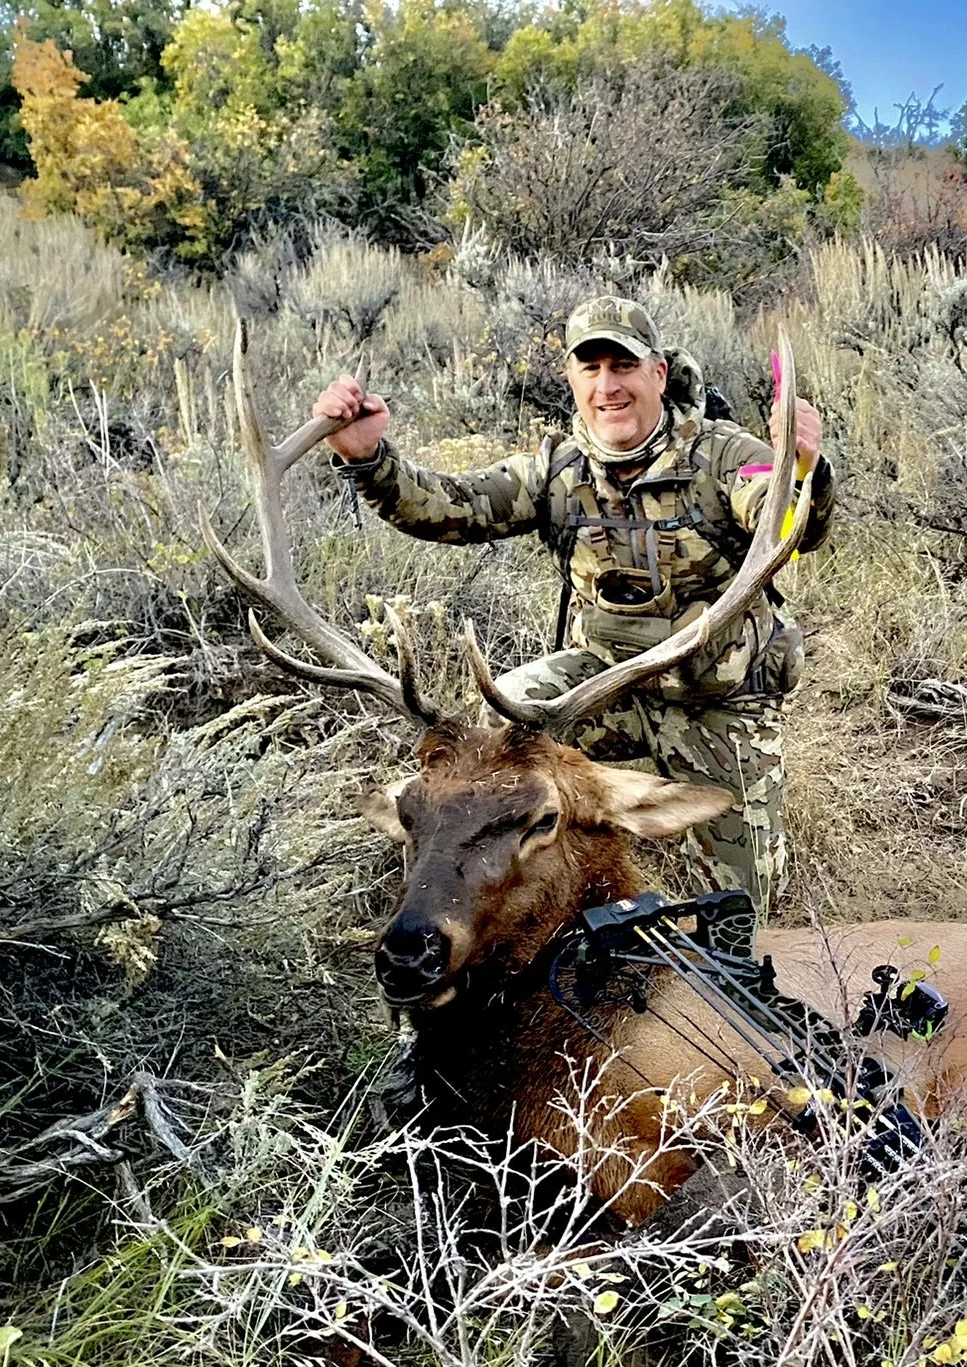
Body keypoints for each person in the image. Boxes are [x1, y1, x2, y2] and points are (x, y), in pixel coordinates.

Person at [312, 294, 836, 913]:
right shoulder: (556, 468)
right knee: (493, 750)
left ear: (658, 375)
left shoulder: (725, 455)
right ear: (571, 379)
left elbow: (783, 523)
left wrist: (799, 469)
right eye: (592, 369)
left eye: (624, 367)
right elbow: (452, 505)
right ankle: (477, 902)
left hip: (714, 701)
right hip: (602, 682)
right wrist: (369, 457)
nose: (608, 386)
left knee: (735, 914)